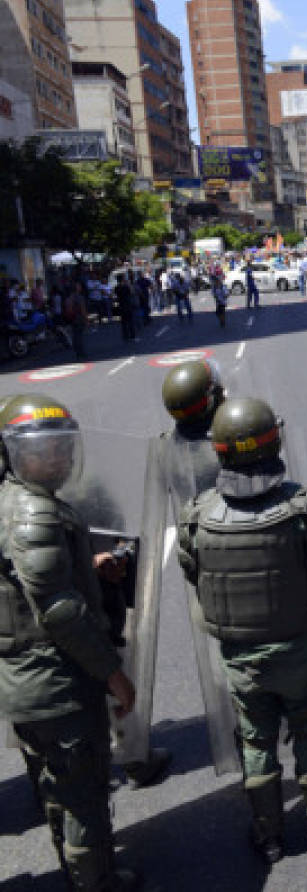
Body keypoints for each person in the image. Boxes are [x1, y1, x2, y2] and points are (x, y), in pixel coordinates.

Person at [177, 398, 307, 861]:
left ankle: (269, 834)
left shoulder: (196, 516)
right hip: (300, 645)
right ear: (274, 441)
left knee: (256, 740)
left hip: (240, 655)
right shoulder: (302, 507)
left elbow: (194, 577)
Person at [0, 395, 141, 890]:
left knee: (55, 788)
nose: (57, 458)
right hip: (57, 683)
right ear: (13, 454)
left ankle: (75, 874)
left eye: (62, 447)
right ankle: (95, 884)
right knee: (83, 794)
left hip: (24, 681)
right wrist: (113, 674)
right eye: (43, 451)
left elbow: (27, 585)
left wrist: (90, 569)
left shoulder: (9, 502)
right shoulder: (35, 514)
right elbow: (59, 612)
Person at [64, 282, 89, 358]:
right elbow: (83, 309)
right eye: (79, 286)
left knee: (75, 335)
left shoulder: (68, 298)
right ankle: (81, 352)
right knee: (79, 335)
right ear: (77, 288)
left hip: (71, 318)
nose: (80, 288)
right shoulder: (80, 297)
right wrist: (86, 319)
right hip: (79, 318)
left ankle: (77, 351)